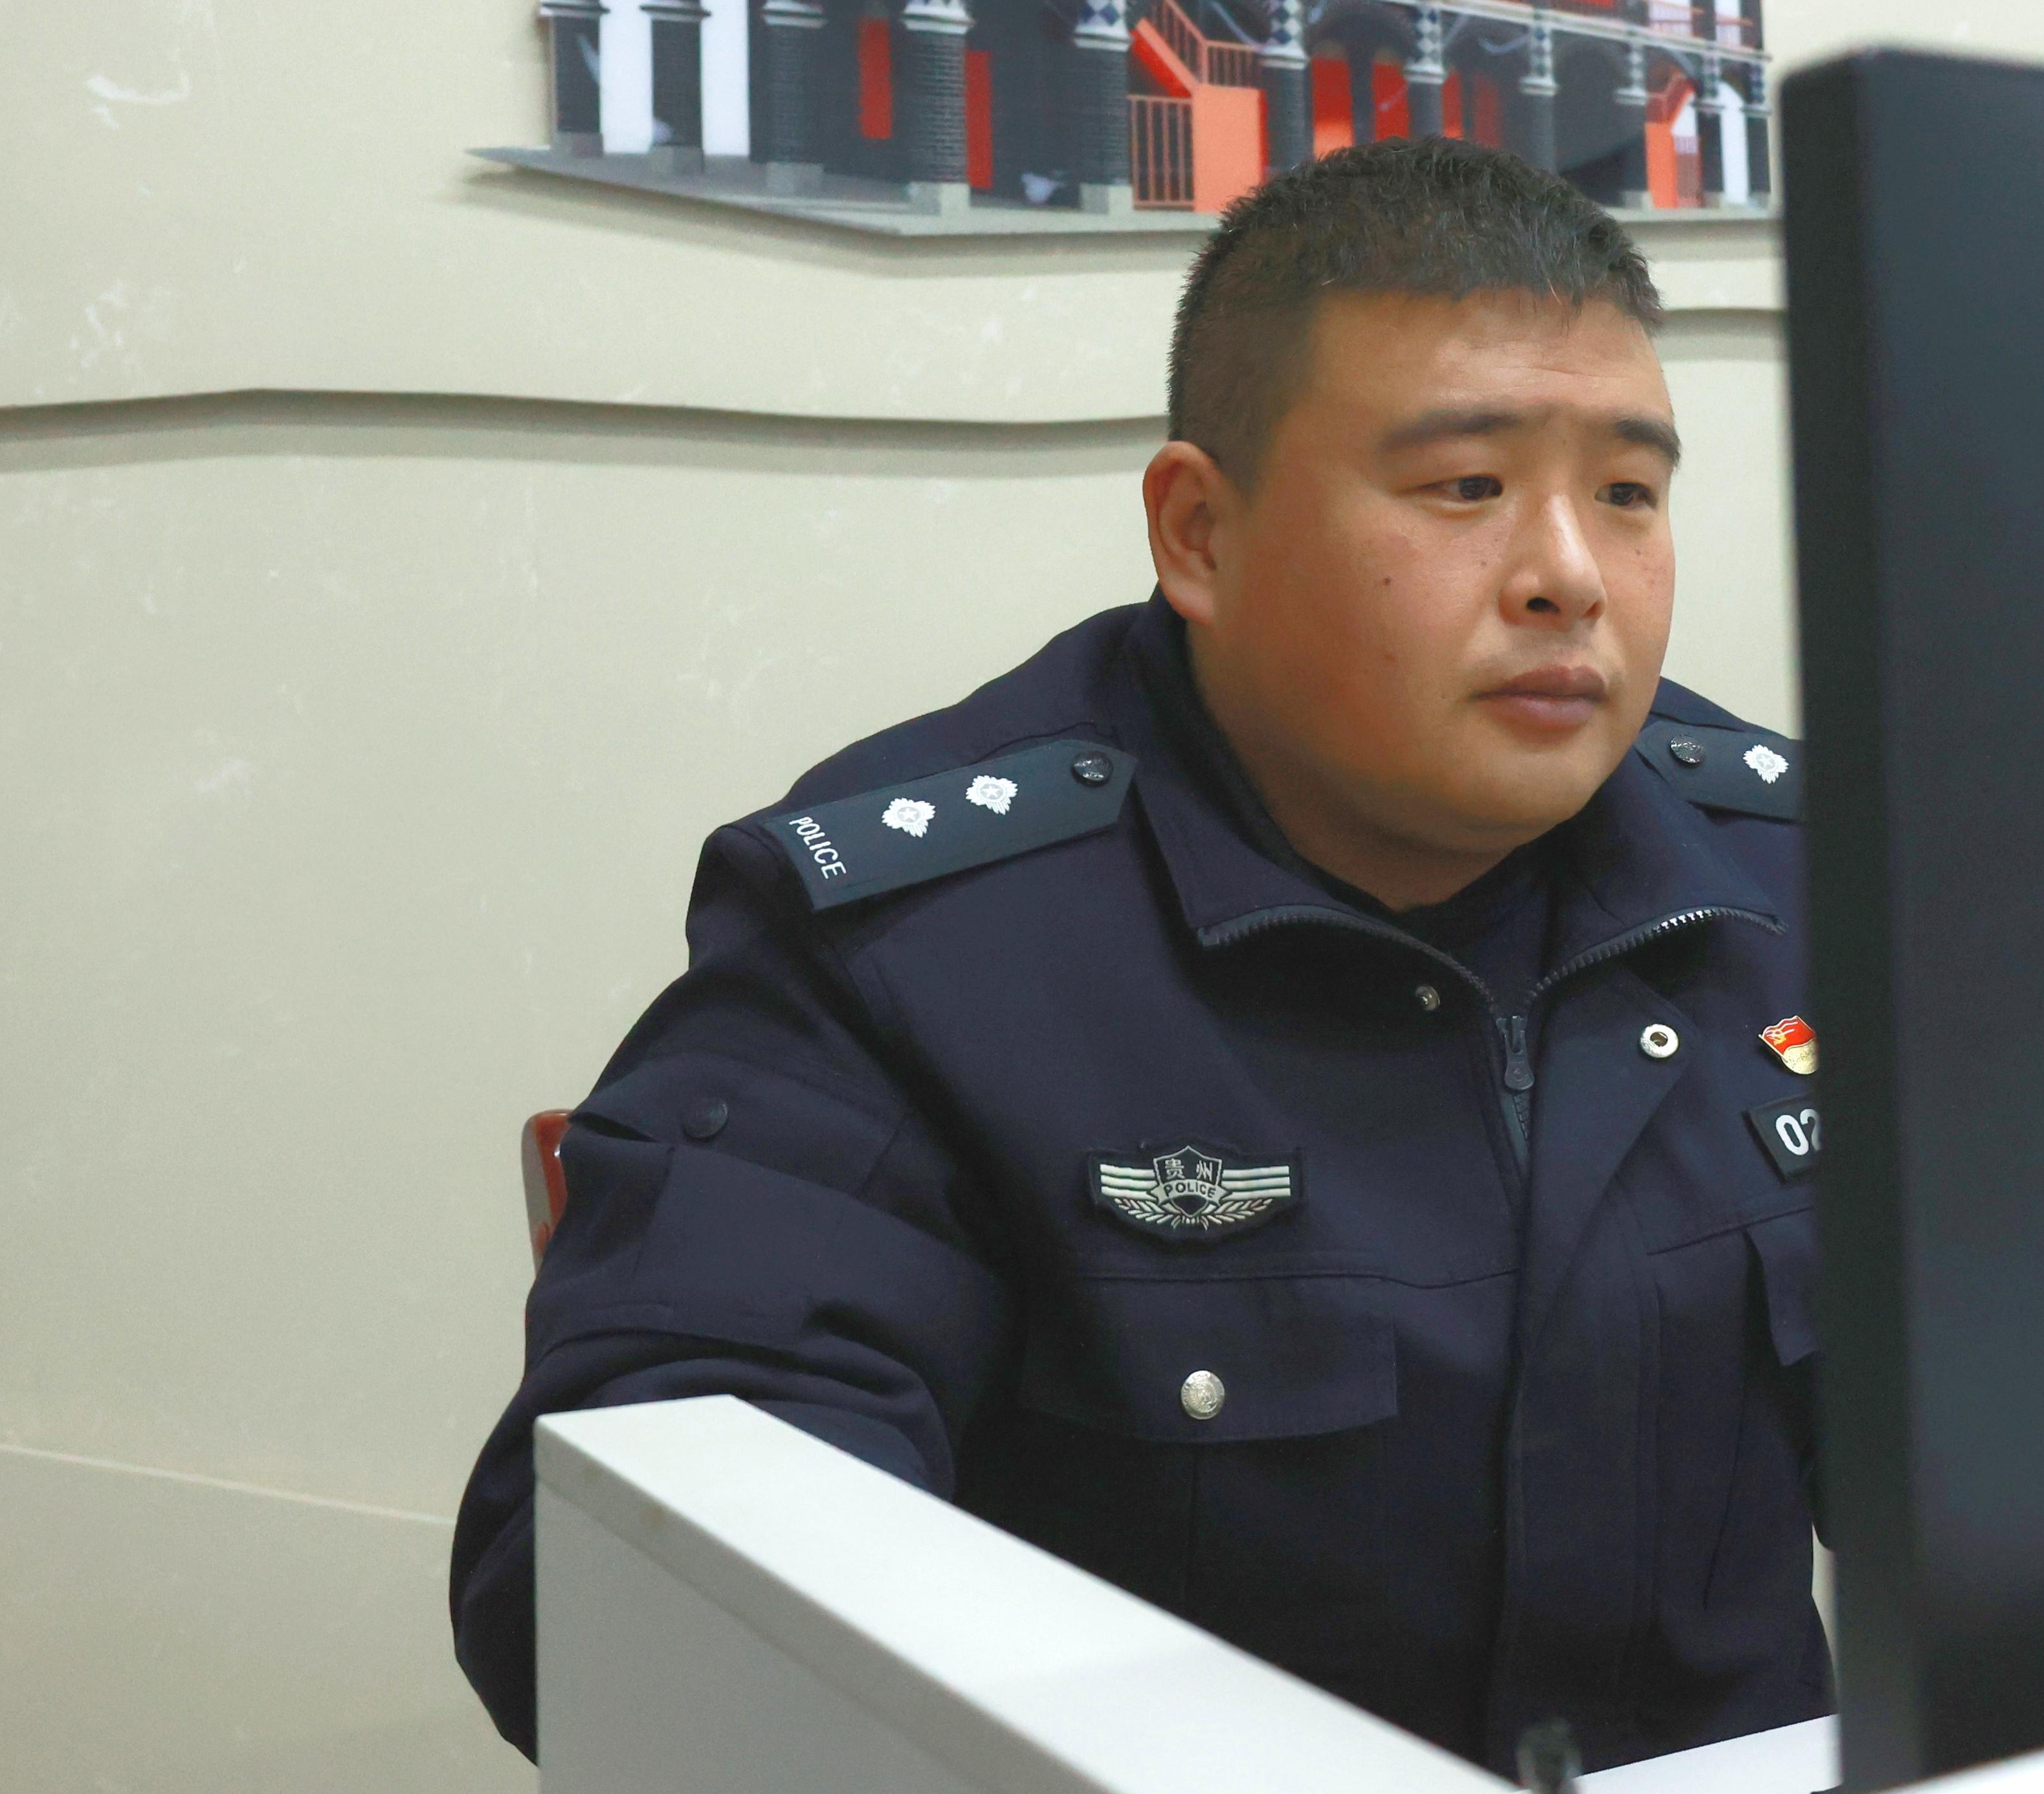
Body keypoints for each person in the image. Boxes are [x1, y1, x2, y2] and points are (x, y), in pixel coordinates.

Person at [449, 136, 1825, 1774]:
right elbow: (630, 1587)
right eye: (1467, 487)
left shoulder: (1792, 881)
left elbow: (2043, 1457)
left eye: (1629, 494)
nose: (1571, 578)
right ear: (1201, 535)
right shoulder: (927, 949)